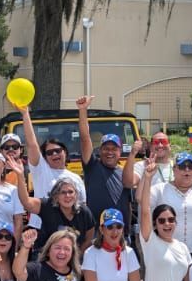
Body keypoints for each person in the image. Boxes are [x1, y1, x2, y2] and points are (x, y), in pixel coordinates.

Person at [77, 96, 138, 233]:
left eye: (114, 149)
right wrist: (83, 110)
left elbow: (127, 204)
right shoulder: (92, 166)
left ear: (120, 152)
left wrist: (128, 232)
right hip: (96, 234)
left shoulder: (125, 173)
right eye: (106, 148)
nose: (109, 152)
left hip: (121, 234)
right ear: (99, 150)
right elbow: (85, 138)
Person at [15, 102, 87, 207]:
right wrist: (25, 114)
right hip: (40, 223)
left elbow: (82, 206)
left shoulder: (76, 178)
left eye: (58, 151)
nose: (54, 154)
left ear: (65, 152)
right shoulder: (40, 170)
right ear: (45, 158)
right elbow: (32, 145)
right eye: (49, 153)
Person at [18, 175, 96, 253]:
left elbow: (89, 238)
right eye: (63, 192)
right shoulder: (47, 206)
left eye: (70, 192)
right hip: (45, 256)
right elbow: (26, 202)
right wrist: (20, 175)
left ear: (76, 195)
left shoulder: (84, 212)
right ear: (56, 196)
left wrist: (76, 257)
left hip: (72, 256)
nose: (67, 196)